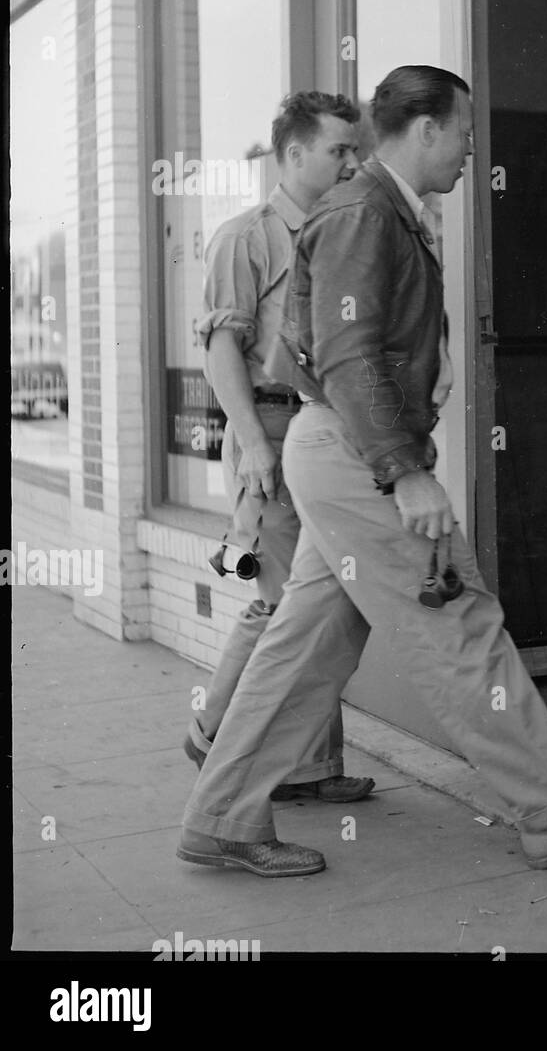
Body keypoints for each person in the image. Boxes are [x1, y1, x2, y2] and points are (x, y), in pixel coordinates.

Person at [177, 65, 547, 878]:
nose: (473, 150)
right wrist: (405, 472)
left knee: (306, 646)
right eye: (465, 132)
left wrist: (421, 375)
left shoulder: (384, 209)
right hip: (358, 457)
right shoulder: (368, 210)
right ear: (426, 129)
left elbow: (351, 347)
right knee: (457, 620)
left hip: (338, 449)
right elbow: (347, 353)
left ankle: (220, 817)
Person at [184, 90, 374, 805]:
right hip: (269, 430)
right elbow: (220, 350)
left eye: (355, 149)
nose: (352, 161)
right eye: (339, 150)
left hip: (326, 435)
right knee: (283, 604)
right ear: (294, 154)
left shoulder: (341, 230)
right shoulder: (247, 236)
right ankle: (210, 734)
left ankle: (312, 768)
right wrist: (255, 450)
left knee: (319, 603)